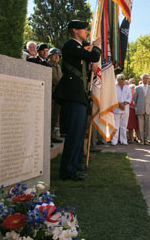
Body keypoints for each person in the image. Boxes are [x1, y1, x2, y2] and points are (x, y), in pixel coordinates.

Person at [54, 20, 101, 181]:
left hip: (79, 94)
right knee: (74, 134)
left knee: (79, 134)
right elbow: (94, 55)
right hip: (72, 95)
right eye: (84, 29)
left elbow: (85, 66)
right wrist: (97, 45)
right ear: (75, 30)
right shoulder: (70, 46)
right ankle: (67, 171)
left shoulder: (79, 48)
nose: (87, 32)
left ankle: (75, 166)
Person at [133, 73, 150, 145]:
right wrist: (138, 106)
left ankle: (146, 139)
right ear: (141, 79)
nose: (146, 80)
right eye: (145, 78)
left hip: (148, 109)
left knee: (147, 125)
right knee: (140, 125)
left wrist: (149, 106)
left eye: (147, 78)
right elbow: (135, 99)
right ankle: (141, 139)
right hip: (140, 109)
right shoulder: (138, 88)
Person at [111, 74, 132, 145]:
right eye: (121, 79)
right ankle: (114, 140)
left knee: (124, 125)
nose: (123, 80)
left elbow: (129, 97)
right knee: (116, 125)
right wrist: (119, 104)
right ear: (118, 80)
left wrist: (124, 103)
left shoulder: (127, 87)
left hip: (125, 108)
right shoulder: (114, 87)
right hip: (116, 107)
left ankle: (123, 140)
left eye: (124, 79)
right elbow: (112, 97)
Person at [49, 48, 63, 144]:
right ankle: (47, 137)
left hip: (57, 94)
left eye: (58, 55)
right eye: (55, 55)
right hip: (50, 93)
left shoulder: (58, 67)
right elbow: (54, 79)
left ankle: (52, 136)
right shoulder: (48, 65)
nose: (57, 57)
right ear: (50, 56)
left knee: (55, 116)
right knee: (49, 116)